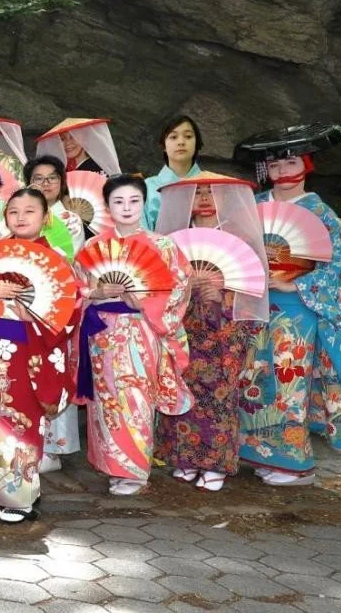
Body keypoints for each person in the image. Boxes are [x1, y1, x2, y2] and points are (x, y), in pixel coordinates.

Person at [0, 189, 72, 523]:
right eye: (14, 211)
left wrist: (32, 309)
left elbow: (66, 308)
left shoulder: (56, 259)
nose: (21, 217)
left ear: (45, 216)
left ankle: (20, 497)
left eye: (30, 211)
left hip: (29, 352)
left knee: (21, 420)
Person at [77, 175, 193, 496]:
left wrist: (143, 302)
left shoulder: (164, 246)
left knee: (135, 395)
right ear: (108, 206)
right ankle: (110, 464)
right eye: (118, 201)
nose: (126, 208)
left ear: (143, 204)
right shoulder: (92, 246)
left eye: (133, 201)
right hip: (101, 333)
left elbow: (180, 290)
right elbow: (77, 288)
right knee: (105, 400)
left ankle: (135, 470)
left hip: (141, 331)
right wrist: (97, 291)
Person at [245, 151, 341, 485]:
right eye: (275, 164)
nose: (282, 171)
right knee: (254, 378)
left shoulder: (318, 211)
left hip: (298, 308)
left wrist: (297, 284)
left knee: (289, 382)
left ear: (306, 167)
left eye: (291, 162)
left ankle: (296, 462)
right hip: (257, 304)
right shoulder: (256, 204)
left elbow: (339, 263)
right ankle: (259, 451)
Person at [154, 173, 268, 492]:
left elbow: (252, 285)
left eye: (211, 192)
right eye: (197, 192)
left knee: (218, 394)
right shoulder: (176, 239)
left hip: (226, 328)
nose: (204, 198)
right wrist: (188, 287)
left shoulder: (240, 238)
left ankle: (216, 462)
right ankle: (186, 458)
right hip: (186, 324)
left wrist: (224, 292)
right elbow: (162, 283)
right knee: (184, 388)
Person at [21, 155, 86, 469]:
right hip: (23, 301)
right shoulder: (21, 216)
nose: (44, 184)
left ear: (62, 183)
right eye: (37, 178)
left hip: (54, 302)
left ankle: (54, 448)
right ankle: (27, 440)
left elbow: (70, 265)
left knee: (53, 369)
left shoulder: (69, 220)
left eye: (51, 178)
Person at [144, 116, 204, 230]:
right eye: (173, 137)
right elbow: (140, 233)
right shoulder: (146, 187)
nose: (181, 142)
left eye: (188, 136)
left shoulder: (212, 185)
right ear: (164, 146)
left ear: (196, 143)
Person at [35, 118, 121, 175]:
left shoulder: (100, 167)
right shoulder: (60, 170)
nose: (68, 143)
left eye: (73, 137)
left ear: (85, 139)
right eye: (62, 139)